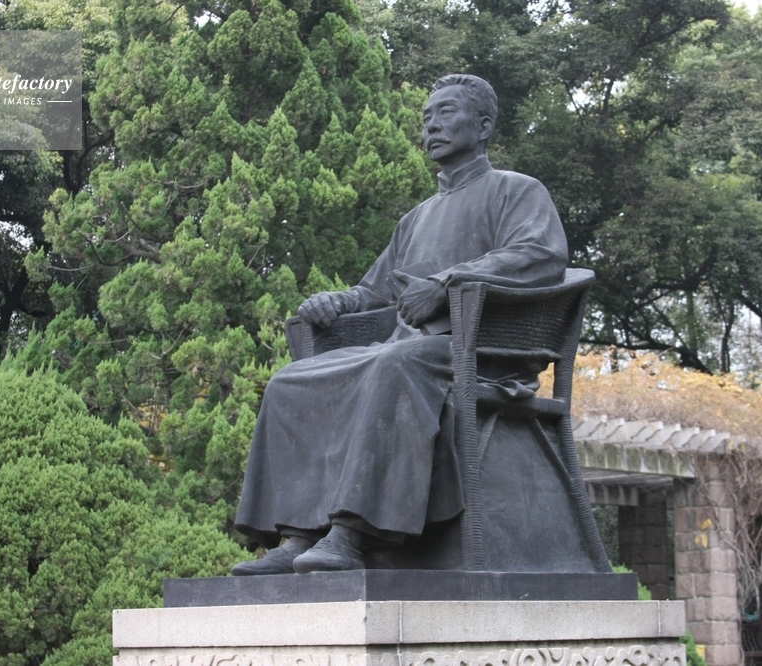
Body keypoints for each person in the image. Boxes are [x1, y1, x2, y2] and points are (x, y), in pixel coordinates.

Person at [232, 74, 569, 575]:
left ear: (483, 126)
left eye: (446, 113)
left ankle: (351, 535)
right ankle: (298, 535)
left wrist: (447, 282)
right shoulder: (416, 218)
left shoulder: (516, 190)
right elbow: (377, 291)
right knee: (292, 380)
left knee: (393, 362)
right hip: (412, 350)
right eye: (427, 117)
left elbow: (540, 254)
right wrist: (338, 300)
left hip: (483, 350)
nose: (431, 125)